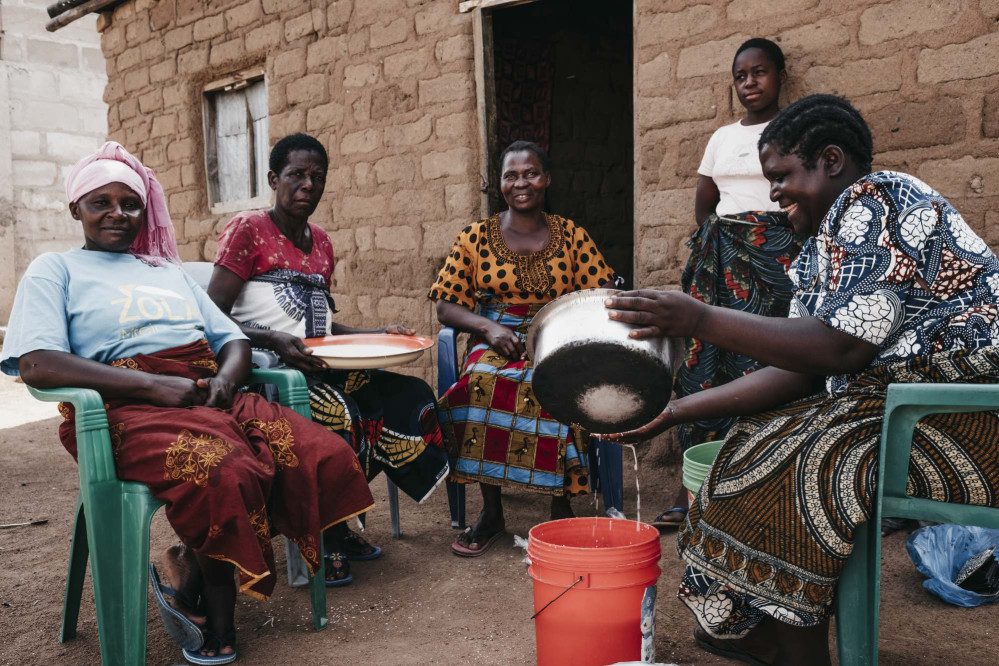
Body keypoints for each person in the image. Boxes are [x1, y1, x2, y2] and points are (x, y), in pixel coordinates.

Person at [604, 95, 999, 665]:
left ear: (831, 160)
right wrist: (676, 413)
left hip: (967, 414)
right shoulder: (826, 243)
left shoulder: (877, 198)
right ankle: (771, 637)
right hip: (910, 410)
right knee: (748, 444)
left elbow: (840, 346)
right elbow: (802, 367)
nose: (775, 193)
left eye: (784, 176)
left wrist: (700, 318)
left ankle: (796, 649)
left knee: (804, 465)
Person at [0, 142, 374, 664]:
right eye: (100, 203)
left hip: (203, 392)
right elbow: (37, 362)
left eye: (129, 204)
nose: (117, 214)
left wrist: (226, 379)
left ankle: (184, 573)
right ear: (75, 209)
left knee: (322, 451)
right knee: (224, 472)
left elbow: (233, 341)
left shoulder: (165, 271)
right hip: (123, 406)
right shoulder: (55, 269)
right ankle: (219, 615)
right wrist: (152, 388)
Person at [207, 134, 449, 581]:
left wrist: (375, 334)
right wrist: (272, 340)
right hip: (269, 374)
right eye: (297, 175)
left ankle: (340, 516)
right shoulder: (248, 230)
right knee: (341, 414)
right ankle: (322, 538)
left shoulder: (321, 243)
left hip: (318, 366)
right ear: (273, 178)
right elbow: (212, 317)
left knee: (408, 396)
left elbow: (319, 328)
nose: (308, 185)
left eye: (317, 177)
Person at [429, 140, 617, 556]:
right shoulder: (476, 237)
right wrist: (489, 328)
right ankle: (491, 510)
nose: (521, 183)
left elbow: (599, 295)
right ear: (500, 184)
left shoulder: (571, 235)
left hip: (558, 335)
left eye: (530, 173)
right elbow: (445, 304)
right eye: (510, 176)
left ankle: (559, 505)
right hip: (494, 336)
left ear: (546, 179)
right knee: (481, 381)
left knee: (555, 381)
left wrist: (568, 336)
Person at [657, 37, 804, 529]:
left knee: (766, 364)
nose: (750, 83)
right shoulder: (721, 138)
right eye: (741, 76)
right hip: (721, 265)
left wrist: (767, 241)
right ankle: (690, 487)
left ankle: (757, 489)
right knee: (705, 364)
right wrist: (718, 241)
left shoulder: (798, 129)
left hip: (777, 263)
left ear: (780, 75)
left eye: (759, 72)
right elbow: (706, 203)